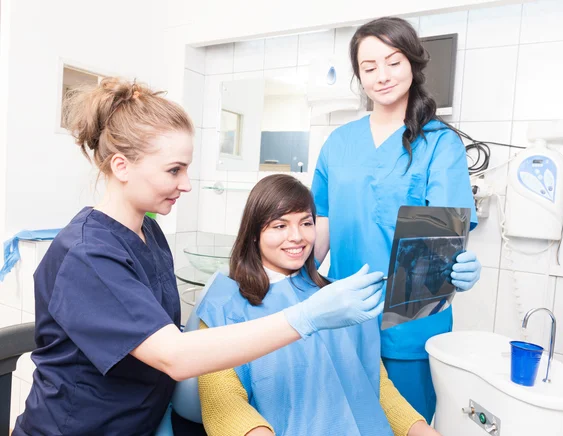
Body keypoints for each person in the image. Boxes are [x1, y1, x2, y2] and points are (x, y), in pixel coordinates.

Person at [12, 77, 386, 436]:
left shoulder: (149, 232)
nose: (186, 184)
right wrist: (308, 317)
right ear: (121, 166)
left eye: (187, 168)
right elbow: (174, 355)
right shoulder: (86, 255)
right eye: (174, 170)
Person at [311, 17, 482, 423]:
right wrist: (295, 284)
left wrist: (459, 269)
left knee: (405, 423)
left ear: (413, 64)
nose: (382, 76)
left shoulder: (440, 143)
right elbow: (321, 222)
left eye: (393, 62)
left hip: (410, 324)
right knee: (345, 422)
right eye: (369, 68)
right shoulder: (339, 142)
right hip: (344, 310)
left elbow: (445, 236)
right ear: (359, 76)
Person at [194, 174, 441, 436]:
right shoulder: (224, 307)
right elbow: (222, 404)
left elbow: (376, 387)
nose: (297, 237)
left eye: (306, 223)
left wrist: (421, 430)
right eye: (280, 226)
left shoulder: (342, 298)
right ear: (254, 233)